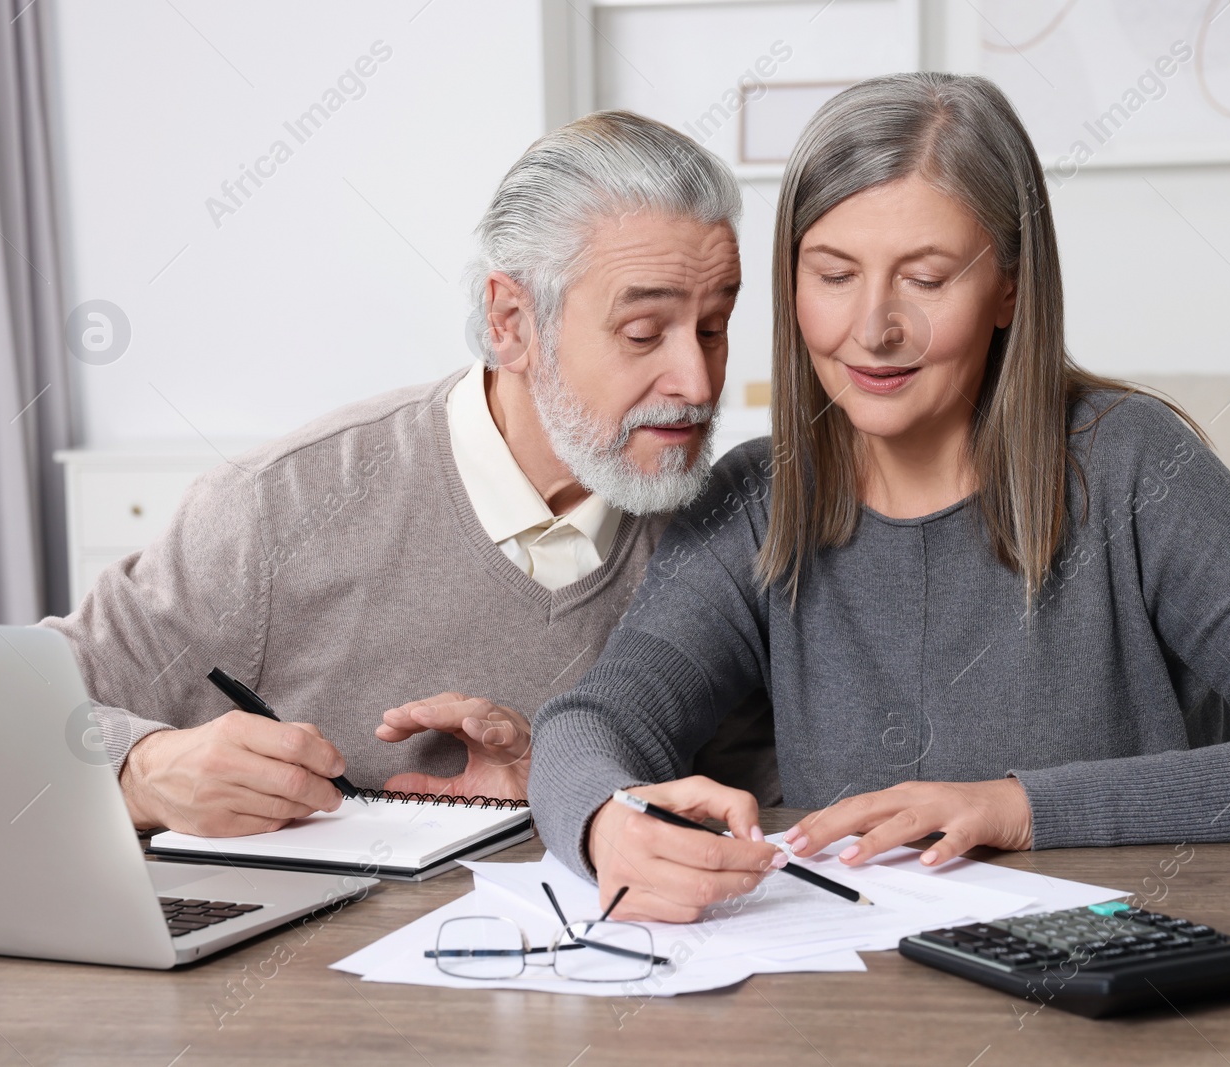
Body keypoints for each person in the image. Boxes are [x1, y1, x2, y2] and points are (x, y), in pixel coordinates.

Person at [527, 73, 1230, 922]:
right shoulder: (757, 498)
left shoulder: (1132, 467)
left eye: (926, 279)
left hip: (1120, 998)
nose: (873, 328)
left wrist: (1017, 807)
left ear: (1009, 286)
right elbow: (597, 721)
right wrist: (607, 822)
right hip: (847, 1008)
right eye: (834, 274)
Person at [40, 110, 778, 837]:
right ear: (510, 322)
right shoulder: (278, 508)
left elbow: (757, 814)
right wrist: (141, 767)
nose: (698, 380)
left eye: (714, 327)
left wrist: (554, 794)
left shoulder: (720, 532)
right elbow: (4, 710)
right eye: (644, 332)